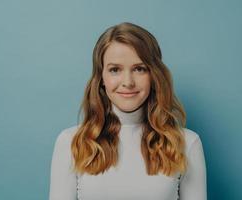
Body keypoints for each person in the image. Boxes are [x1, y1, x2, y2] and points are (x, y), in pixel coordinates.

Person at [49, 22, 207, 200]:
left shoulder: (187, 143)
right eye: (115, 70)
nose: (128, 82)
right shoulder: (71, 142)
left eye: (139, 69)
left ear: (154, 75)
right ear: (101, 78)